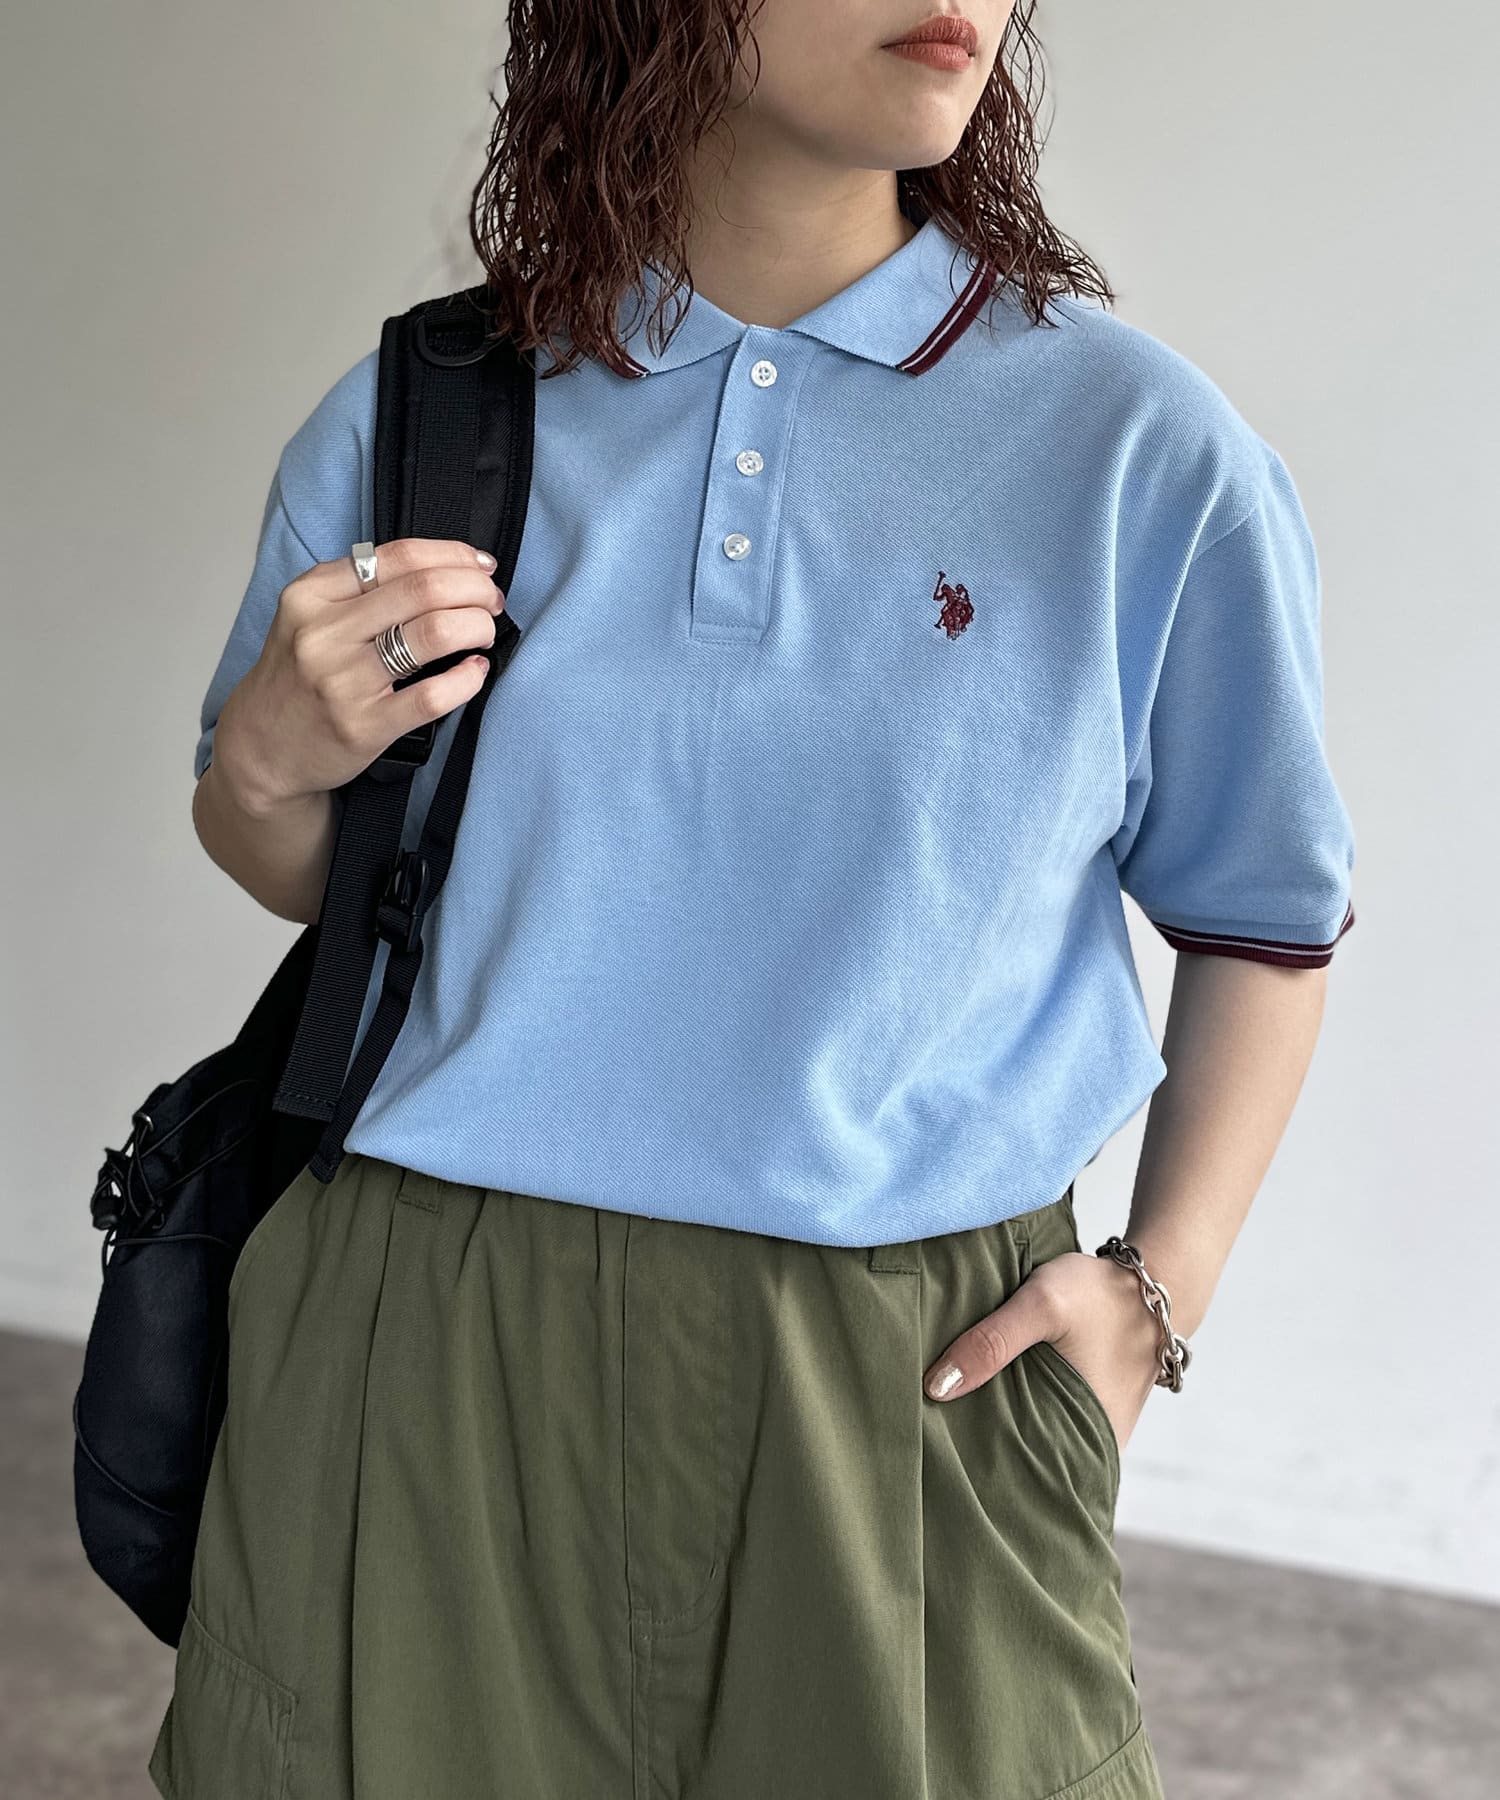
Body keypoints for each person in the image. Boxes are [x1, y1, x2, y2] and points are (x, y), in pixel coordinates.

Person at [149, 4, 1356, 1797]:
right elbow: (326, 883)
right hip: (427, 1331)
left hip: (907, 1367)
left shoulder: (1140, 448)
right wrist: (259, 766)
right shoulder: (429, 411)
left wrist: (1155, 1295)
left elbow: (1264, 923)